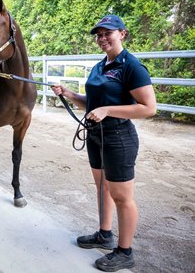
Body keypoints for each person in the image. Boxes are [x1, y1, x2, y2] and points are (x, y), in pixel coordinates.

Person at [51, 14, 157, 272]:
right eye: (98, 34)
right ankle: (104, 235)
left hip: (119, 137)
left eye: (107, 33)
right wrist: (69, 94)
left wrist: (109, 110)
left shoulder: (131, 66)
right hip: (95, 134)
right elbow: (93, 104)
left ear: (122, 33)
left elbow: (149, 108)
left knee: (122, 196)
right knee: (102, 189)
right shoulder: (100, 66)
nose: (101, 38)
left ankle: (125, 251)